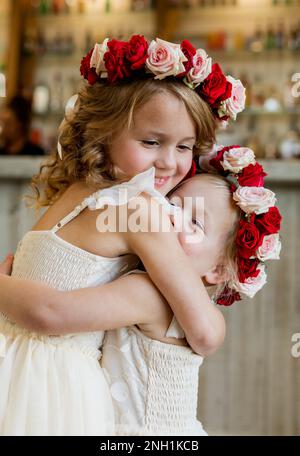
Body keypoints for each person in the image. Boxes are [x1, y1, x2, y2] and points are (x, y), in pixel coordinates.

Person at [0, 35, 246, 436]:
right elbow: (205, 331)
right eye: (151, 142)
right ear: (103, 131)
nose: (169, 162)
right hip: (55, 385)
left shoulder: (76, 190)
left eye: (185, 147)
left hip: (14, 364)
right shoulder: (140, 207)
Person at [0, 145, 282, 435]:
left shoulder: (148, 293)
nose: (171, 218)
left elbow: (51, 313)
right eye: (171, 204)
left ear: (218, 270)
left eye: (195, 222)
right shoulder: (151, 285)